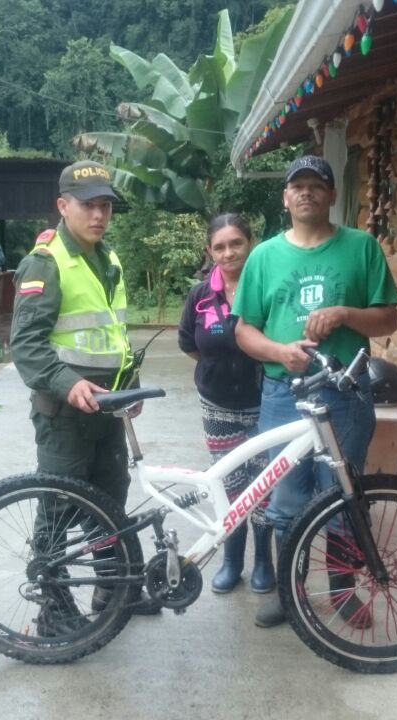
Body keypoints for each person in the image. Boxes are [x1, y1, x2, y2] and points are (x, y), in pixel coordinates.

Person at [232, 155, 397, 629]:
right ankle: (290, 593)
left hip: (344, 392)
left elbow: (388, 319)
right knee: (286, 502)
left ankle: (343, 592)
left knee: (343, 498)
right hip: (283, 392)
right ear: (285, 197)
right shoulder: (264, 256)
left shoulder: (361, 247)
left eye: (316, 185)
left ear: (330, 195)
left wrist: (345, 314)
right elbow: (244, 331)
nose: (306, 192)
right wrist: (279, 351)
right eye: (297, 186)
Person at [9, 160, 158, 630]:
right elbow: (26, 347)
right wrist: (68, 383)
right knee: (57, 511)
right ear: (63, 206)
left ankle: (112, 592)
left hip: (107, 414)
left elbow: (114, 334)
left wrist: (128, 386)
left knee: (110, 506)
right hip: (63, 417)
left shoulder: (108, 259)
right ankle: (53, 607)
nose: (99, 215)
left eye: (106, 206)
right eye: (88, 205)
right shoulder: (46, 263)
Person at [177, 214, 273, 595]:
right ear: (209, 252)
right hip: (218, 407)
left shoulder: (266, 287)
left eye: (236, 243)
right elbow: (189, 343)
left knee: (265, 487)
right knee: (230, 487)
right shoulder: (201, 297)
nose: (228, 252)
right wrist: (219, 370)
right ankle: (232, 561)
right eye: (220, 246)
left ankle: (264, 562)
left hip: (267, 404)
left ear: (250, 243)